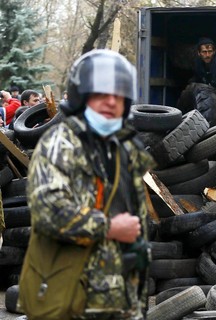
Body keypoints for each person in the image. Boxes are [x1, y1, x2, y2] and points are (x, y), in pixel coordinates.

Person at [21, 49, 155, 319]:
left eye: (117, 95)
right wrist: (109, 227)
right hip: (67, 297)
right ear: (82, 97)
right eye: (100, 94)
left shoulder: (122, 151)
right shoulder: (60, 143)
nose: (110, 101)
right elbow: (49, 211)